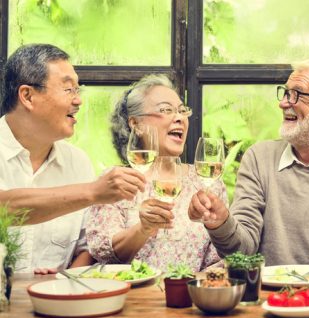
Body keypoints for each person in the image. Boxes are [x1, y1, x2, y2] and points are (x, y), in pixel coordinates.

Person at [188, 58, 309, 269]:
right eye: (285, 93)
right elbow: (242, 252)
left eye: (297, 94)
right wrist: (220, 223)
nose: (283, 103)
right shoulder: (258, 159)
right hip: (266, 298)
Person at [0, 44, 145, 274]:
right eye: (68, 90)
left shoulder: (78, 162)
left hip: (55, 304)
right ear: (27, 96)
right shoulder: (90, 188)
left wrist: (63, 279)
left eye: (79, 91)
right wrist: (92, 192)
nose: (78, 101)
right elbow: (4, 208)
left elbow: (85, 248)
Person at [84, 74, 224, 272]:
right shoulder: (116, 181)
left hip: (189, 298)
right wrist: (143, 229)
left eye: (182, 111)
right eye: (166, 110)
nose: (179, 118)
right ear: (136, 124)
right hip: (132, 298)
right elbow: (104, 254)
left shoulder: (207, 182)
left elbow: (220, 258)